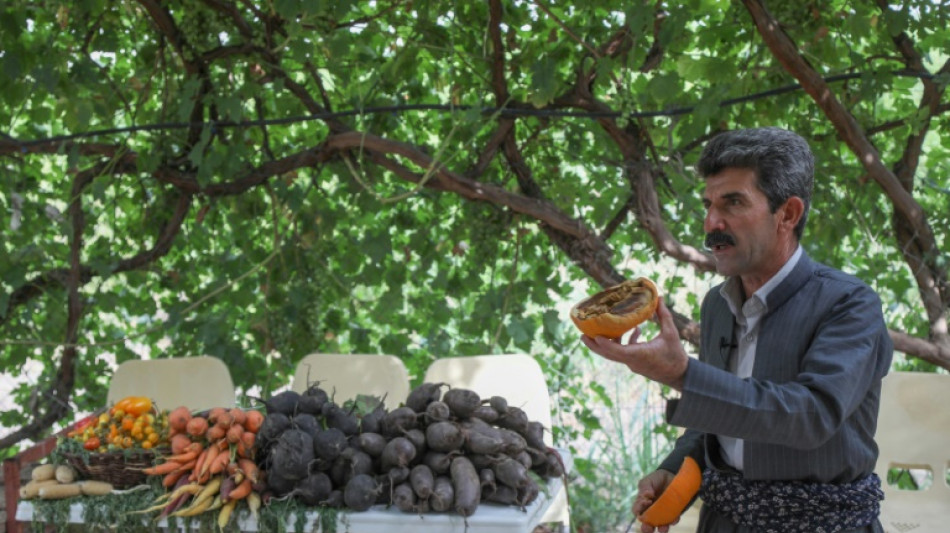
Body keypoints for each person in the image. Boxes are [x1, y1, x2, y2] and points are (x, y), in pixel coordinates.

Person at [581, 127, 893, 533]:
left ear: (788, 214)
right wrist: (673, 470)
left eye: (733, 203)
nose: (712, 223)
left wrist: (682, 374)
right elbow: (718, 420)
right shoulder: (717, 305)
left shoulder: (849, 304)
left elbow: (811, 416)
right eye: (708, 204)